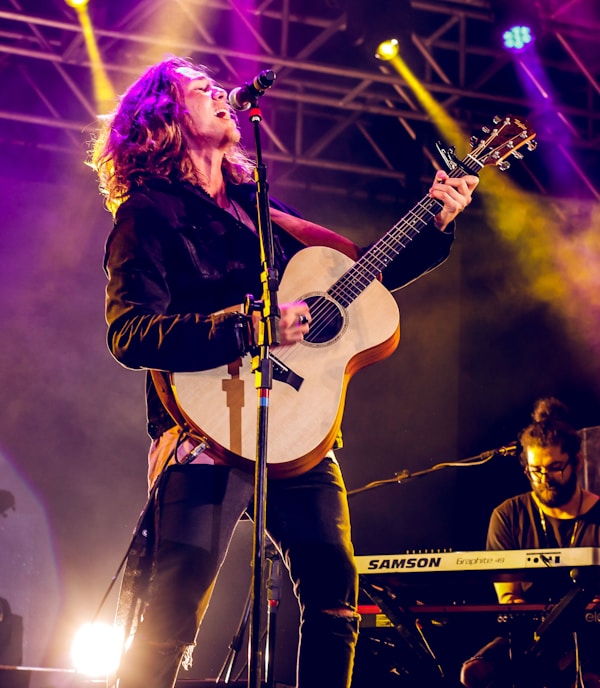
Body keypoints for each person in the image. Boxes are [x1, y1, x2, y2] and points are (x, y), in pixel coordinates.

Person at [89, 55, 478, 688]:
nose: (221, 93)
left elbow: (354, 280)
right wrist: (250, 326)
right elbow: (130, 334)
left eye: (220, 87)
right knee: (170, 622)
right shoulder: (145, 215)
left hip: (295, 432)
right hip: (203, 434)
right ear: (164, 118)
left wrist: (434, 220)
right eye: (201, 90)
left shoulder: (257, 204)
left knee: (336, 593)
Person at [461, 397, 600, 688]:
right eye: (536, 471)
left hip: (592, 637)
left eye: (555, 468)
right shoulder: (508, 515)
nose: (544, 479)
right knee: (474, 673)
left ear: (576, 462)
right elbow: (508, 600)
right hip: (529, 636)